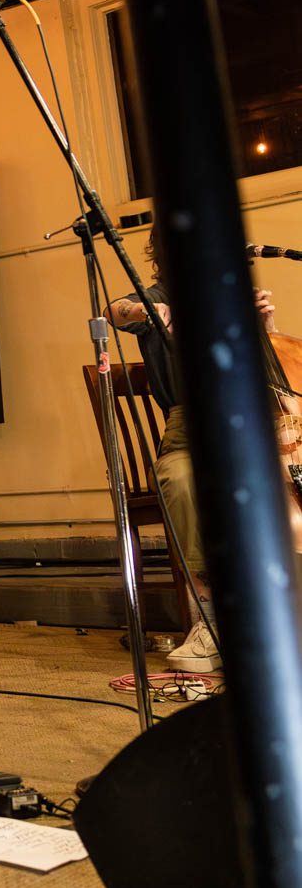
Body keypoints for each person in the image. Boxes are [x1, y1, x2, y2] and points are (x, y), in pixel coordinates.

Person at [106, 233, 277, 674]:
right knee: (180, 479)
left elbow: (275, 371)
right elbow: (113, 310)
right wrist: (148, 310)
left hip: (260, 426)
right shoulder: (161, 296)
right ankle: (209, 621)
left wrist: (267, 325)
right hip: (191, 430)